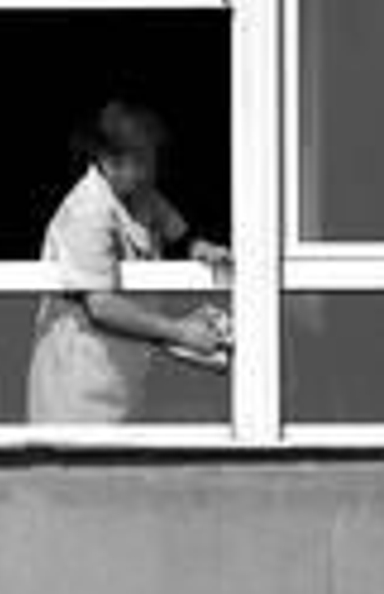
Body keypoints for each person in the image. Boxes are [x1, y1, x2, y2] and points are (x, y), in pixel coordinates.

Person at [27, 100, 231, 423]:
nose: (148, 172)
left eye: (152, 160)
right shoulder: (88, 212)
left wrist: (197, 247)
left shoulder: (140, 192)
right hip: (79, 391)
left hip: (124, 377)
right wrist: (180, 332)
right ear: (108, 162)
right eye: (139, 162)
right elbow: (102, 305)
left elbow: (172, 226)